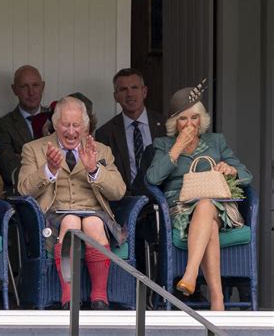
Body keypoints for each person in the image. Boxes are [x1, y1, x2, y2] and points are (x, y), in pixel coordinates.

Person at [146, 82, 252, 311]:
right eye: (183, 119)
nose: (190, 124)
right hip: (180, 209)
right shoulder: (164, 144)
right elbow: (153, 179)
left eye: (194, 118)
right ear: (175, 123)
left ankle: (190, 274)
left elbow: (246, 175)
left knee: (206, 205)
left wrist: (230, 170)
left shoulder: (216, 141)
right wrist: (177, 149)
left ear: (201, 119)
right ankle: (218, 301)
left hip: (220, 207)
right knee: (208, 223)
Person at [18, 96, 127, 310]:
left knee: (93, 223)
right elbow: (23, 188)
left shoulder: (100, 150)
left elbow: (119, 191)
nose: (70, 131)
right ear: (55, 124)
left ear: (85, 126)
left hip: (96, 215)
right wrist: (49, 169)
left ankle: (99, 297)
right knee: (71, 220)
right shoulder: (34, 149)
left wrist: (94, 169)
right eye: (65, 125)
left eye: (76, 125)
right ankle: (69, 295)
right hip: (54, 219)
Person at [95, 68, 166, 194]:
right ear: (115, 96)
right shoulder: (105, 133)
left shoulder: (165, 125)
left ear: (144, 92)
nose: (130, 94)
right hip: (125, 201)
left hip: (161, 196)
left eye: (134, 88)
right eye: (123, 89)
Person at [0, 65, 47, 194]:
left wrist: (23, 158)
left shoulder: (57, 118)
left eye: (35, 85)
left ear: (43, 86)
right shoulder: (3, 125)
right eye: (24, 86)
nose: (31, 92)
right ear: (14, 89)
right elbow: (8, 169)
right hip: (22, 195)